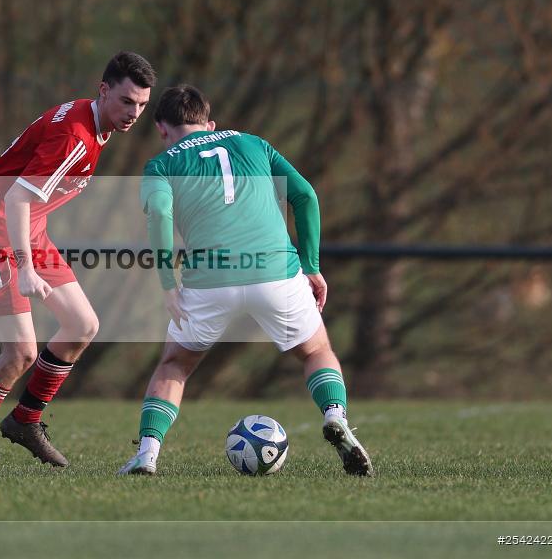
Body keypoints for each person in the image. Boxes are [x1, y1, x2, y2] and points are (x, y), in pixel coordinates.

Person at [118, 85, 373, 476]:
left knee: (174, 366)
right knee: (316, 351)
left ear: (161, 128)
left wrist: (168, 284)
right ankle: (335, 415)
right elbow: (304, 195)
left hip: (209, 279)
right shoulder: (253, 143)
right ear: (210, 123)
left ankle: (148, 454)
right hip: (276, 272)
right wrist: (312, 265)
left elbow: (160, 216)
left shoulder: (160, 164)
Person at [0, 51, 156, 472]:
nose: (134, 113)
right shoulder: (74, 137)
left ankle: (25, 420)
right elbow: (17, 196)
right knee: (20, 351)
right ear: (104, 90)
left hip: (25, 227)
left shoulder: (91, 122)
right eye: (127, 101)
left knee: (81, 324)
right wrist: (24, 266)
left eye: (142, 105)